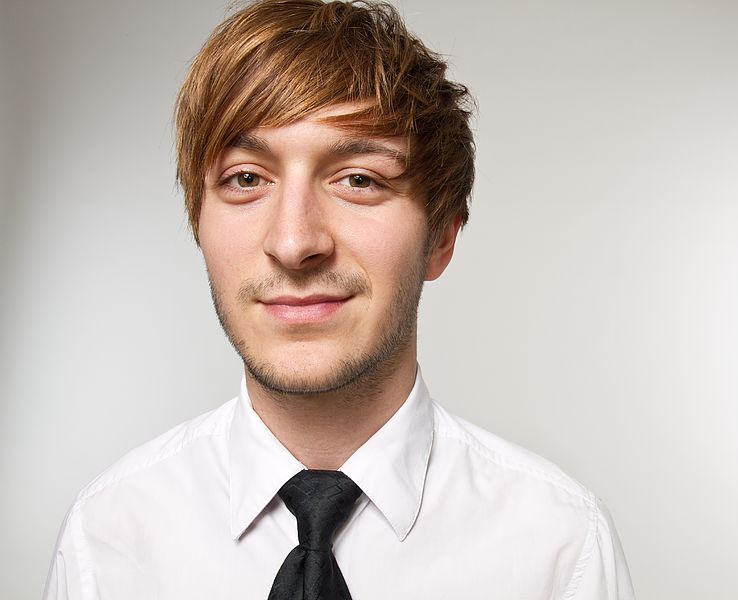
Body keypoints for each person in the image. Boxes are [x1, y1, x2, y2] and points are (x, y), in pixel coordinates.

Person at [43, 1, 633, 598]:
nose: (295, 242)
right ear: (198, 224)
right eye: (246, 178)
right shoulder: (105, 539)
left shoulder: (560, 547)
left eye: (359, 180)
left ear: (442, 238)